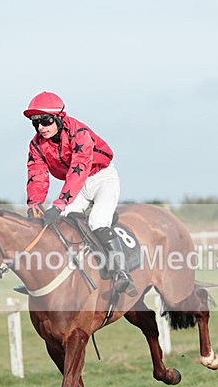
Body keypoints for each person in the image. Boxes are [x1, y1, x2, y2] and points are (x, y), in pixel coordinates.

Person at [23, 91, 137, 297]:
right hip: (76, 184)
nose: (40, 127)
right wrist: (34, 204)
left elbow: (79, 170)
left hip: (102, 179)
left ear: (59, 118)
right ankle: (47, 277)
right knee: (60, 225)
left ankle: (122, 273)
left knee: (98, 222)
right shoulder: (36, 145)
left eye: (46, 121)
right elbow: (37, 175)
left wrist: (60, 204)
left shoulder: (79, 133)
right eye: (35, 123)